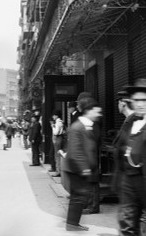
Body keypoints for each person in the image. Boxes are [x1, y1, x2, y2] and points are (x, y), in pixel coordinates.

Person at [113, 78, 146, 236]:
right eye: (137, 100)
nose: (140, 104)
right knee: (127, 224)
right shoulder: (130, 122)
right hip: (128, 180)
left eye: (144, 100)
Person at [64, 96, 102, 231]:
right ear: (88, 111)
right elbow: (75, 151)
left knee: (79, 196)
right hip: (77, 169)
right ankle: (72, 224)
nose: (99, 114)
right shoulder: (78, 127)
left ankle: (73, 223)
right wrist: (84, 168)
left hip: (80, 168)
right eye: (97, 111)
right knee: (78, 196)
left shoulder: (87, 126)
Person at [50, 110, 65, 177]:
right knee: (58, 154)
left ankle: (58, 171)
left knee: (57, 155)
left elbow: (56, 132)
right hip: (60, 138)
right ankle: (59, 170)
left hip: (57, 138)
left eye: (53, 115)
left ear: (56, 115)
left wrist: (53, 126)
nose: (53, 116)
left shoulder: (58, 122)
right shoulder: (60, 122)